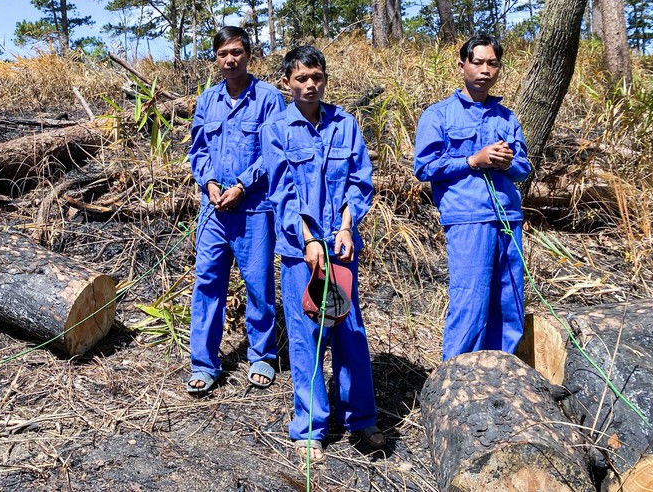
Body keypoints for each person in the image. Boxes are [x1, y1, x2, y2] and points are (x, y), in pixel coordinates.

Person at [261, 45, 384, 462]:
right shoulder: (277, 128)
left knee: (350, 331)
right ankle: (310, 428)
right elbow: (283, 191)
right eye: (301, 79)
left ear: (325, 79)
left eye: (316, 77)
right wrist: (310, 238)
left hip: (343, 247)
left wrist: (347, 226)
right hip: (301, 251)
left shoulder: (345, 124)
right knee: (308, 333)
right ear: (287, 83)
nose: (310, 85)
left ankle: (361, 418)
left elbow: (358, 182)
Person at [413, 33, 532, 361]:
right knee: (472, 302)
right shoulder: (438, 115)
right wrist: (471, 161)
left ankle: (501, 376)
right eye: (477, 62)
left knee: (509, 302)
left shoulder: (506, 117)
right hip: (468, 218)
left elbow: (523, 168)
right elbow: (424, 167)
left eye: (492, 63)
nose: (484, 70)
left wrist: (508, 162)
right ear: (462, 65)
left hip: (508, 218)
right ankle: (456, 383)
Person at [186, 26, 286, 394]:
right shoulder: (207, 101)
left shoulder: (270, 99)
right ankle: (204, 363)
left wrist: (242, 185)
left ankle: (262, 356)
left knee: (258, 284)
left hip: (254, 209)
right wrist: (210, 183)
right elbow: (197, 150)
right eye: (223, 53)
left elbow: (273, 153)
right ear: (216, 58)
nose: (230, 60)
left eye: (237, 53)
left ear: (249, 55)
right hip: (213, 211)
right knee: (208, 282)